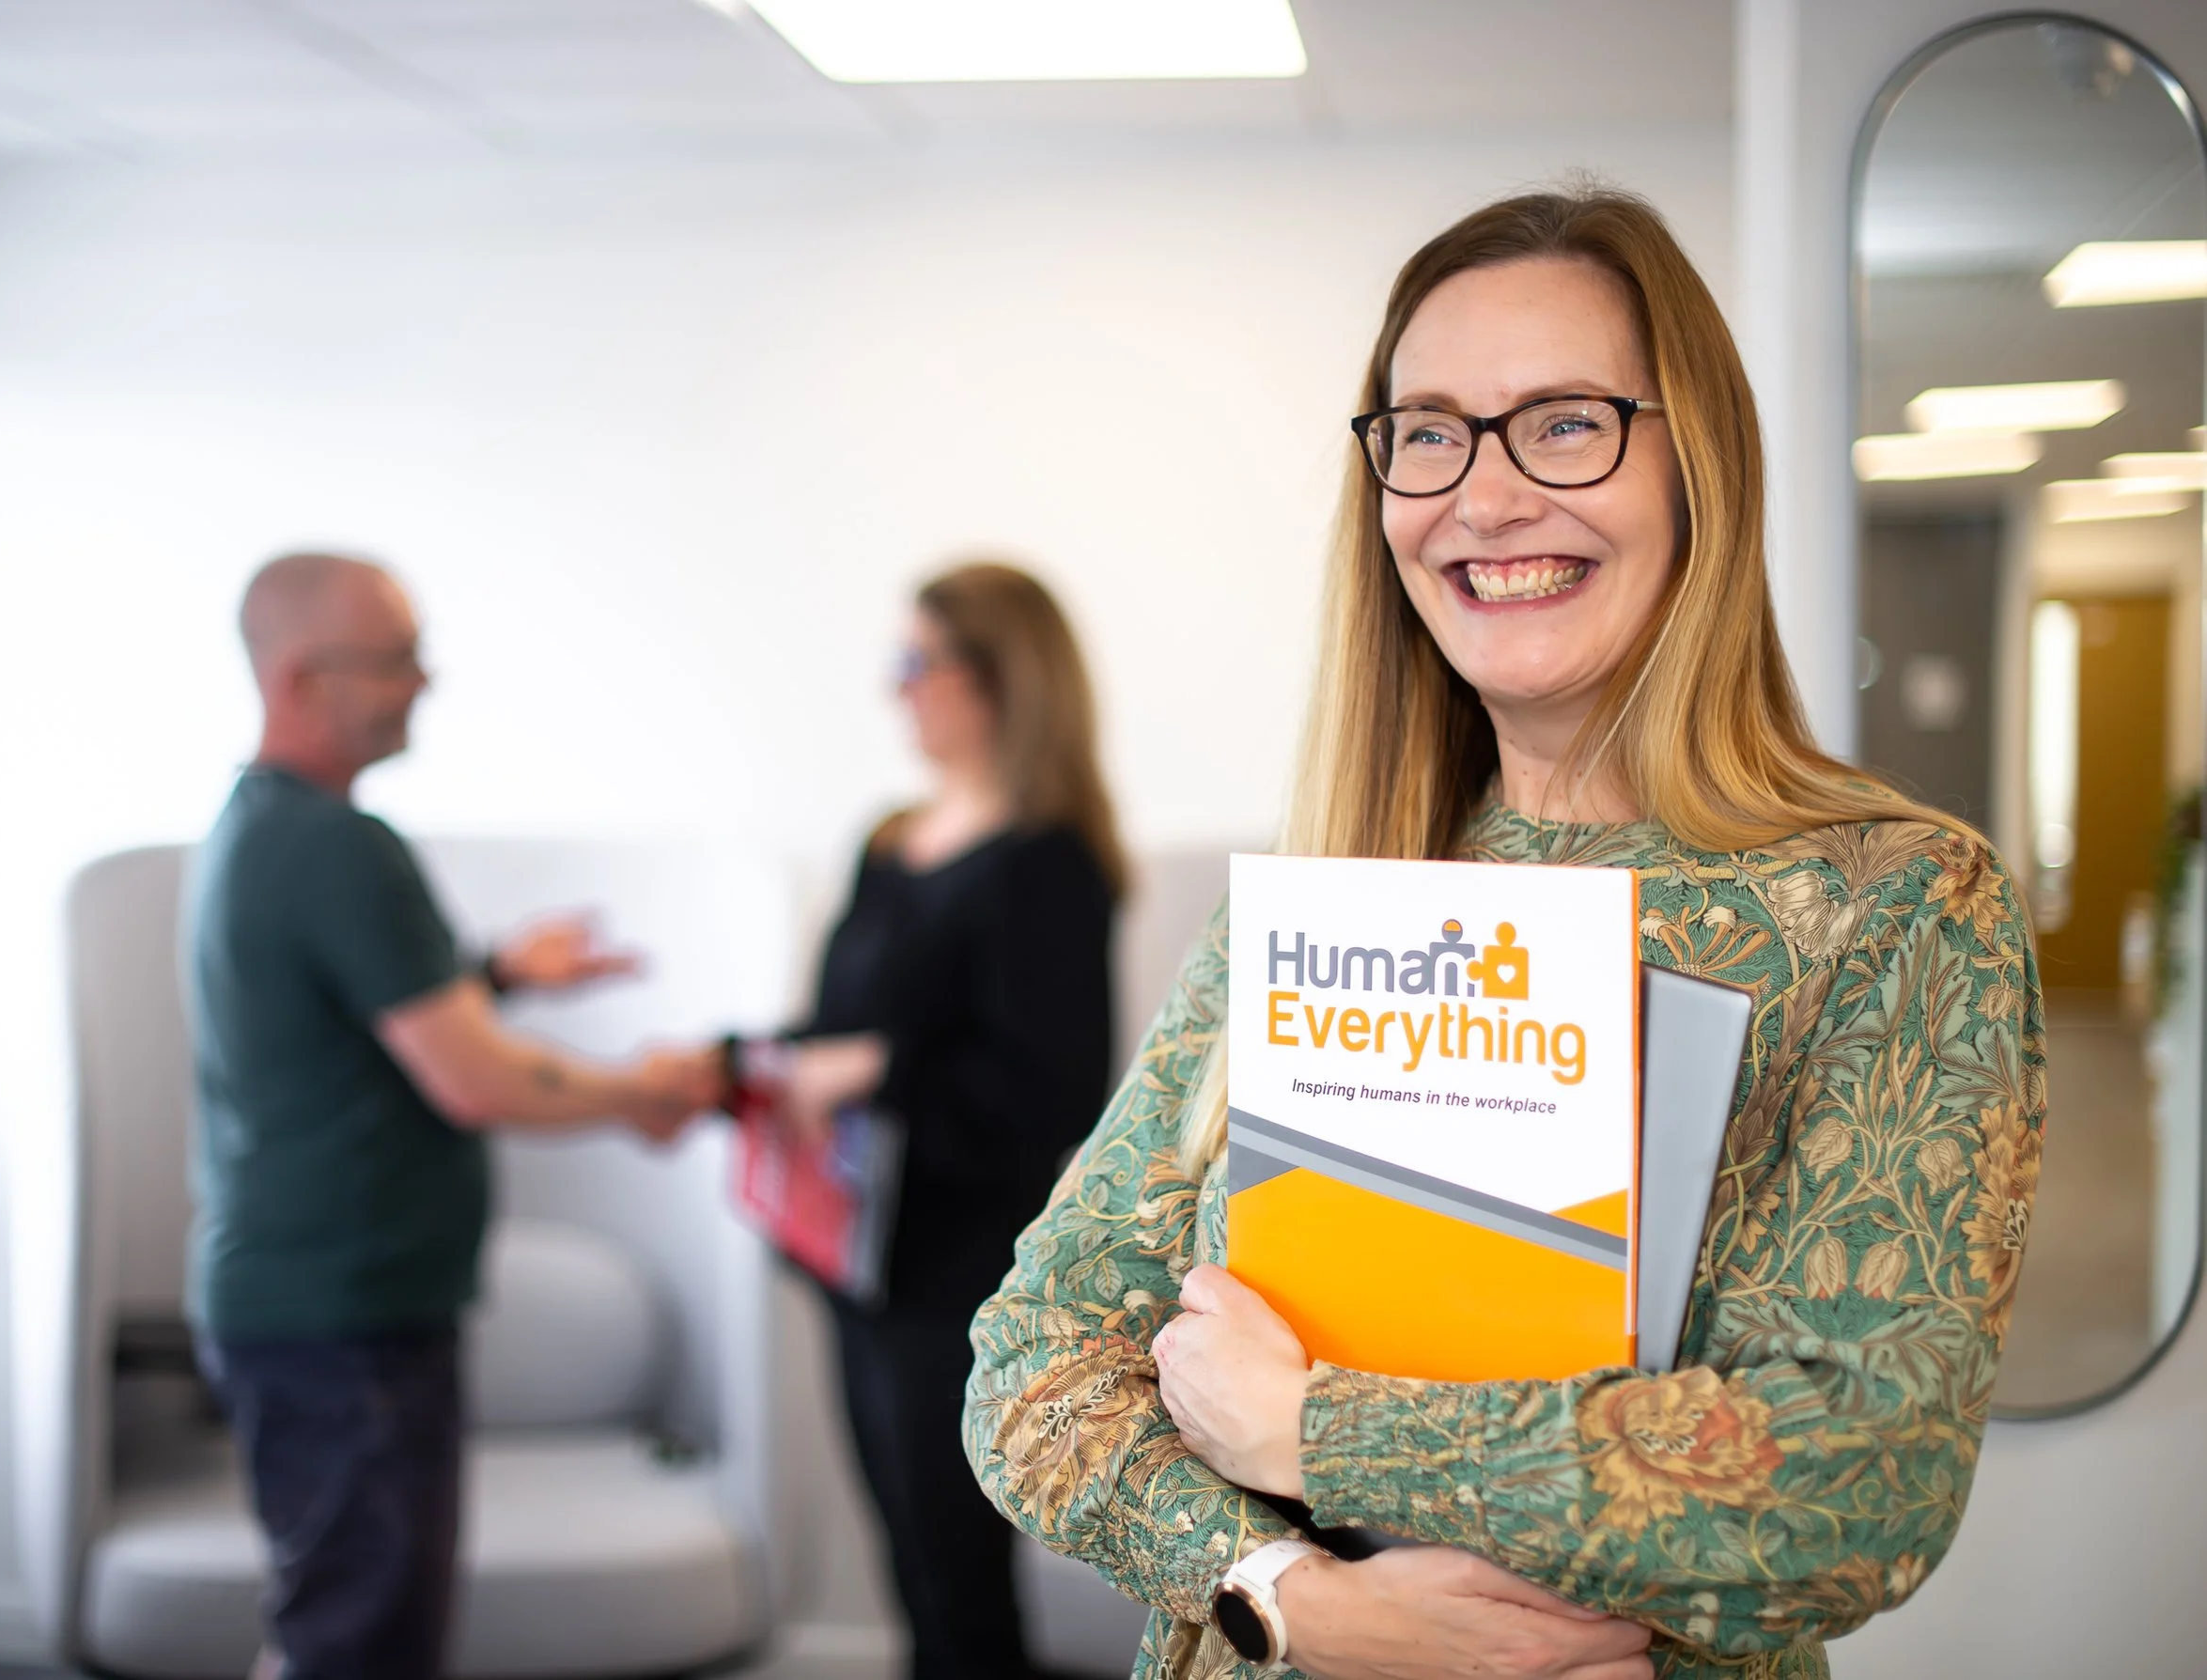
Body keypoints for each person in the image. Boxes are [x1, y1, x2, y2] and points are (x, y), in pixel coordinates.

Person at [966, 189, 2045, 1680]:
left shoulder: (1895, 907)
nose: (1484, 499)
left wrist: (1308, 1429)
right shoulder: (1320, 900)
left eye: (1565, 423)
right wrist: (1291, 1592)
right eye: (1430, 433)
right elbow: (1032, 1358)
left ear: (1700, 465)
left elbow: (1855, 1479)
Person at [186, 552, 719, 1680]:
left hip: (307, 1311)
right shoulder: (337, 846)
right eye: (393, 661)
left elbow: (361, 1024)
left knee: (332, 1622)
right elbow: (474, 1080)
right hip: (343, 1324)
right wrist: (644, 1093)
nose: (421, 683)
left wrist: (499, 973)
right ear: (299, 678)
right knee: (358, 1645)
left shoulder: (259, 828)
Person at [718, 561, 1122, 1680]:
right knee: (909, 1560)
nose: (895, 688)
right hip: (856, 1257)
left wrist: (876, 1069)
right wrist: (735, 1065)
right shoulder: (892, 841)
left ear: (998, 679)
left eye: (916, 663)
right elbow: (833, 1028)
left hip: (957, 1276)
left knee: (957, 1581)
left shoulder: (1047, 863)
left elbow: (1051, 1091)